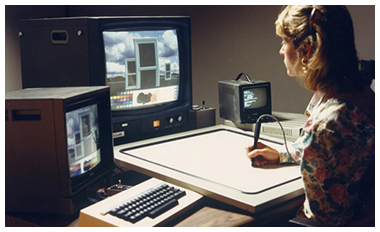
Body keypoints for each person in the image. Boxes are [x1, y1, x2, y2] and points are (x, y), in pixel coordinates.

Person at [245, 5, 375, 226]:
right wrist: (283, 155)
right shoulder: (358, 91)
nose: (280, 50)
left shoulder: (328, 123)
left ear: (305, 51)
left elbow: (324, 220)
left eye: (284, 41)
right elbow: (332, 154)